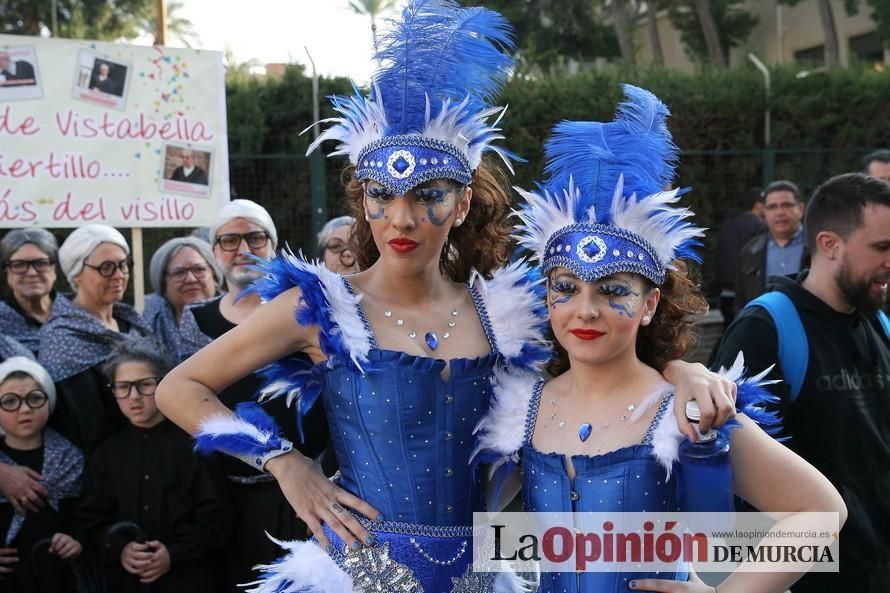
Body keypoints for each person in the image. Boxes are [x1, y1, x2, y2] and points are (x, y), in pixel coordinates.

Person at [157, 4, 736, 592]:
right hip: (357, 574)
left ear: (460, 206)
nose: (401, 218)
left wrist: (682, 370)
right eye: (383, 194)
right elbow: (177, 388)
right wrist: (283, 463)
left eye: (427, 195)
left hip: (480, 577)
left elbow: (602, 341)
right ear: (363, 202)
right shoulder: (322, 308)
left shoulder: (506, 317)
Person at [476, 85, 847, 593]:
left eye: (613, 291)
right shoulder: (521, 409)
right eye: (566, 288)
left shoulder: (686, 410)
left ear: (650, 305)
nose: (586, 309)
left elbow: (821, 511)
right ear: (547, 296)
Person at [713, 172, 890, 592]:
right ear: (829, 244)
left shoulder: (878, 323)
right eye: (881, 248)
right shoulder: (766, 328)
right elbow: (723, 470)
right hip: (810, 577)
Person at [180, 199, 328, 592]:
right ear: (214, 252)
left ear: (273, 245)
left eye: (254, 237)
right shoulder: (196, 320)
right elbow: (183, 399)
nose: (242, 249)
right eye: (229, 240)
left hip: (306, 486)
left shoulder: (305, 311)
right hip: (227, 493)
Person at [77, 338, 231, 593]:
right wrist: (120, 549)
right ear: (113, 391)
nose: (134, 397)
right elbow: (89, 520)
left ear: (162, 385)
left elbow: (218, 519)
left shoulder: (196, 446)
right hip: (126, 583)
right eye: (123, 387)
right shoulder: (105, 454)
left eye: (144, 385)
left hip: (189, 580)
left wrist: (174, 554)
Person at [38, 224, 151, 455]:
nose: (119, 275)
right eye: (106, 267)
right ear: (77, 274)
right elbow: (85, 425)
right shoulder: (62, 340)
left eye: (123, 265)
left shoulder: (132, 322)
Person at [0, 357, 83, 593]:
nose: (24, 409)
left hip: (59, 578)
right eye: (10, 401)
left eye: (35, 398)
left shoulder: (71, 458)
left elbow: (85, 515)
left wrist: (76, 541)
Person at [735, 180, 809, 313]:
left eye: (786, 205)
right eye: (772, 207)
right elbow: (741, 302)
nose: (780, 212)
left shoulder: (818, 248)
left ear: (801, 209)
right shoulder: (750, 251)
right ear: (764, 213)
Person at [143, 237, 221, 362]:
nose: (191, 279)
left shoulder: (236, 312)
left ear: (214, 276)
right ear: (163, 284)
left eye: (199, 269)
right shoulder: (146, 319)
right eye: (179, 273)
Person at [0, 228, 69, 355]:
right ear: (7, 271)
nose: (31, 273)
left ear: (54, 268)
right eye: (19, 264)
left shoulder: (79, 314)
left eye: (41, 263)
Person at [713, 187, 765, 328]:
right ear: (758, 204)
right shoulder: (761, 226)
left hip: (726, 294)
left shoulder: (729, 226)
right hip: (749, 296)